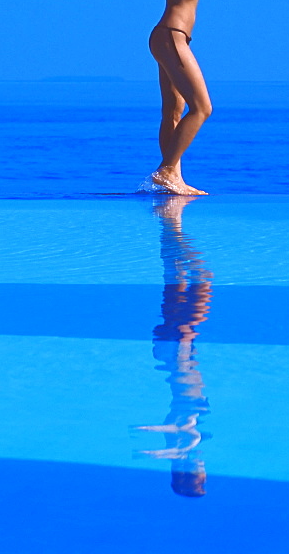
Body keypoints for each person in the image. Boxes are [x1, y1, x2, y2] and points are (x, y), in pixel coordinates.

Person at [123, 0, 212, 195]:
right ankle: (165, 171)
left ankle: (175, 178)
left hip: (172, 37)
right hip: (171, 37)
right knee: (202, 108)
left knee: (175, 110)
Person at [131, 195, 212, 498]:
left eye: (200, 477)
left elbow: (174, 430)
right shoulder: (187, 443)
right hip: (172, 349)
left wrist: (151, 447)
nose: (204, 470)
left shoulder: (185, 442)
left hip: (179, 349)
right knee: (175, 277)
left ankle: (173, 228)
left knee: (202, 278)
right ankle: (169, 221)